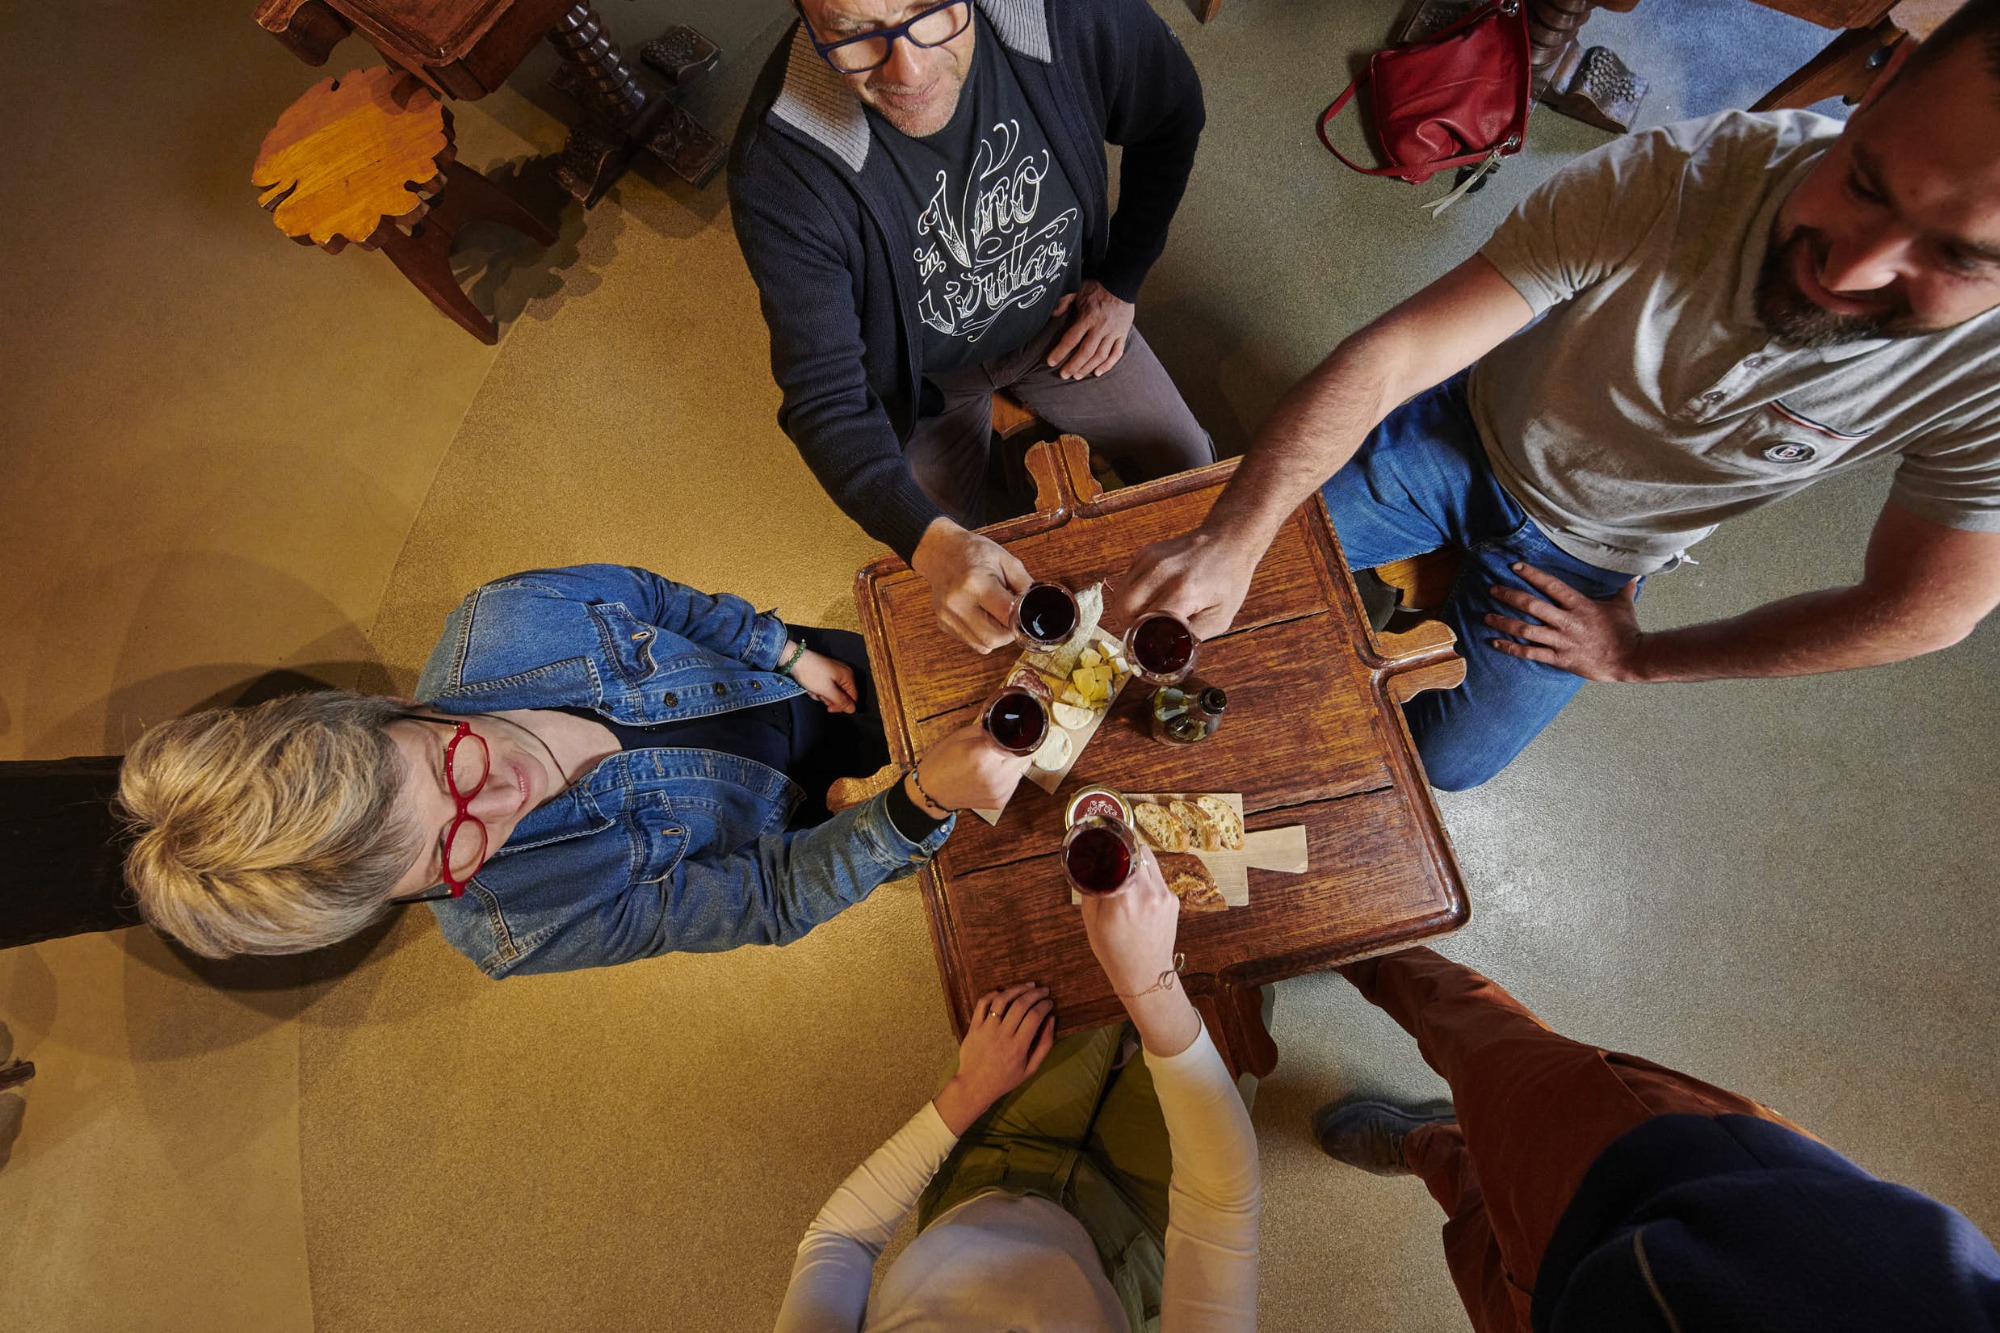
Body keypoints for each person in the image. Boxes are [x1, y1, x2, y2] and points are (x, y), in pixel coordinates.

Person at [1113, 5, 2000, 790]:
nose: (1847, 270)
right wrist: (1233, 536)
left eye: (1957, 258)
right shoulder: (1677, 177)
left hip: (1594, 555)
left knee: (1450, 766)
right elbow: (1395, 355)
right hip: (1465, 437)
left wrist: (1640, 658)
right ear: (1882, 90)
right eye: (1864, 183)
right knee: (1201, 585)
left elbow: (1926, 609)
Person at [116, 564, 1029, 976]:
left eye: (451, 759)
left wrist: (782, 649)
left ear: (393, 710)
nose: (506, 796)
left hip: (802, 679)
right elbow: (771, 898)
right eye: (451, 853)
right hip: (837, 820)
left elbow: (658, 598)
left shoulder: (505, 616)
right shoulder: (513, 930)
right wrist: (910, 812)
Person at [730, 0, 1214, 654]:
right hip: (928, 386)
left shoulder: (1070, 14)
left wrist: (1122, 281)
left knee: (1193, 466)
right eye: (851, 35)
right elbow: (826, 399)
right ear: (807, 19)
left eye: (928, 8)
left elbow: (1172, 110)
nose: (909, 67)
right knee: (953, 594)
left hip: (1065, 323)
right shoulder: (779, 174)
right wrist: (933, 545)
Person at [1313, 946, 2000, 1331]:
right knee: (1477, 1038)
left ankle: (1434, 1145)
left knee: (1478, 1236)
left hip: (1559, 1316)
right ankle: (1359, 940)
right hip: (1682, 1187)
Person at [774, 850, 1259, 1331]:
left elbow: (840, 1238)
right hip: (1135, 1244)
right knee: (1231, 963)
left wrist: (971, 1087)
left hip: (987, 1170)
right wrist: (1152, 987)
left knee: (1058, 936)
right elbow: (1218, 1203)